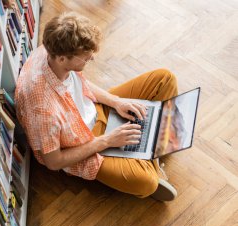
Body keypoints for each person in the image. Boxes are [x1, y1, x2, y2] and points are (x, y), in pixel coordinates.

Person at [14, 12, 178, 201]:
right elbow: (53, 162)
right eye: (85, 58)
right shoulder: (44, 109)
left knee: (165, 78)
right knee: (147, 183)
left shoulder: (50, 49)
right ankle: (148, 151)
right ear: (62, 59)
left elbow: (79, 83)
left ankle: (144, 154)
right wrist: (107, 141)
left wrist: (115, 101)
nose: (90, 59)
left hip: (96, 109)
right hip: (87, 143)